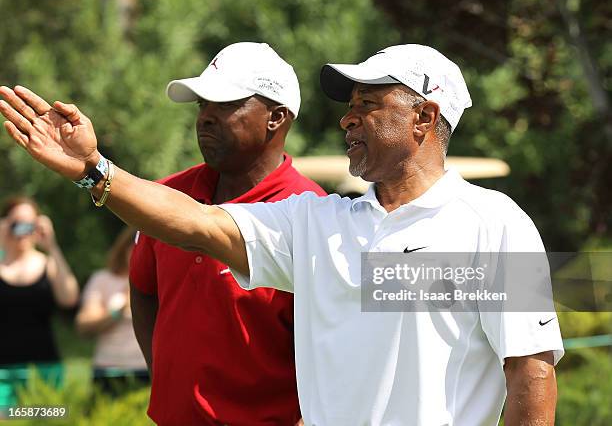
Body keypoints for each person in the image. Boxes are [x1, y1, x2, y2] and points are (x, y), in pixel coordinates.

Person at [0, 43, 564, 426]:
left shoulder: (496, 223)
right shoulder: (321, 223)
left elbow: (531, 372)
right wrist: (95, 168)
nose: (348, 118)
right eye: (349, 107)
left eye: (368, 104)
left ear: (423, 118)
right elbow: (196, 223)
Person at [128, 42, 325, 425]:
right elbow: (142, 288)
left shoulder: (313, 215)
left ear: (276, 117)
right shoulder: (166, 197)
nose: (204, 118)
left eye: (224, 104)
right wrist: (165, 379)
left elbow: (331, 348)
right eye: (202, 105)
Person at [0, 196, 79, 407]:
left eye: (29, 224)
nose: (23, 231)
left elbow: (69, 298)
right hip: (3, 371)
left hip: (45, 368)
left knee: (48, 419)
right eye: (17, 224)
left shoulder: (49, 264)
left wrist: (52, 246)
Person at [75, 226, 148, 395]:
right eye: (135, 246)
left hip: (148, 370)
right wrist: (119, 309)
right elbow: (84, 326)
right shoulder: (103, 280)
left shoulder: (160, 281)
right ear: (124, 248)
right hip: (109, 371)